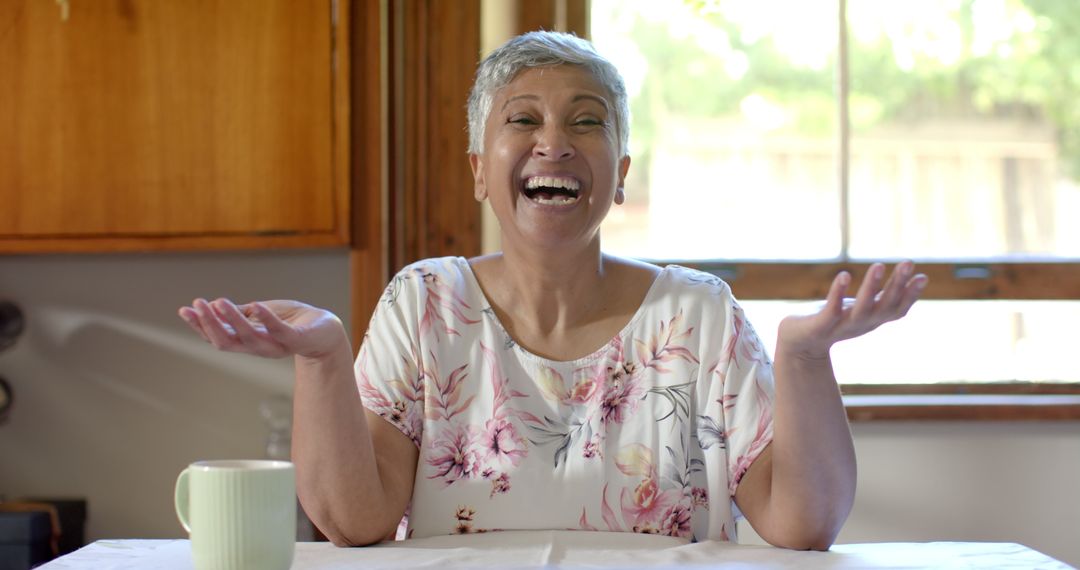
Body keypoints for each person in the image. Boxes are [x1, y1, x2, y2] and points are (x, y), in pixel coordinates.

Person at [178, 31, 927, 550]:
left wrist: (803, 360)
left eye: (585, 121)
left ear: (621, 174)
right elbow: (355, 522)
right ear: (479, 169)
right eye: (524, 119)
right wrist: (322, 360)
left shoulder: (699, 313)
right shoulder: (425, 303)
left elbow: (804, 525)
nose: (554, 142)